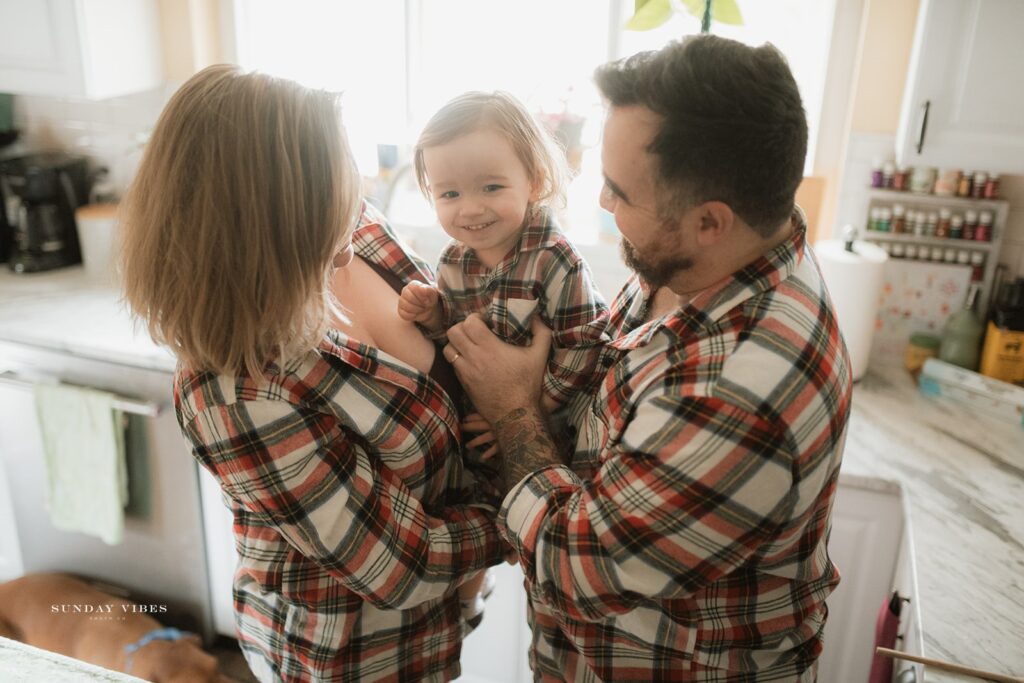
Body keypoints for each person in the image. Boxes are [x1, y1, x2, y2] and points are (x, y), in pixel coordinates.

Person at [443, 35, 853, 681]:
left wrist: (511, 407)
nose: (603, 204)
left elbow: (578, 567)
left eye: (619, 192)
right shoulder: (706, 256)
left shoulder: (742, 389)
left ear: (709, 220)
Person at [119, 64, 504, 682]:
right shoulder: (236, 388)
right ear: (272, 215)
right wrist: (537, 501)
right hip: (347, 656)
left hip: (444, 619)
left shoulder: (359, 231)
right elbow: (399, 568)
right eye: (334, 181)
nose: (357, 193)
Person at [397, 91, 610, 626]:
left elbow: (587, 345)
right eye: (449, 193)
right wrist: (433, 317)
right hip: (484, 430)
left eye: (491, 187)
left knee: (540, 543)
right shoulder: (451, 262)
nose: (469, 208)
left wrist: (527, 405)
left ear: (534, 181)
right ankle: (471, 597)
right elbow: (459, 337)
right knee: (468, 505)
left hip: (551, 429)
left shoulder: (555, 258)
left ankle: (527, 581)